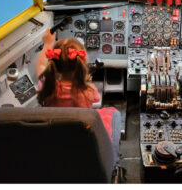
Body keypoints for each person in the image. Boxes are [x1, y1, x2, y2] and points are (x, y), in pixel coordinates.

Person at [36, 29, 121, 162]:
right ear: (82, 63)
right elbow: (95, 100)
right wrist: (85, 79)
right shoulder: (88, 90)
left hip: (54, 136)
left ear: (52, 62)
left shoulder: (46, 85)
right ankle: (113, 158)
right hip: (82, 134)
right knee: (115, 114)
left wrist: (48, 43)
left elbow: (41, 66)